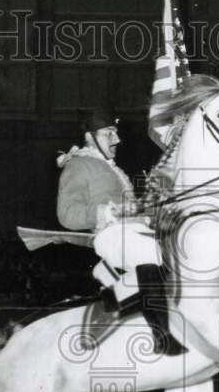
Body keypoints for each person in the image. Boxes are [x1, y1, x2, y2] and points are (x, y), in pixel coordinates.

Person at [56, 106, 180, 355]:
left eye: (116, 133)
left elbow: (131, 211)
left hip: (134, 232)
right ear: (90, 137)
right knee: (162, 257)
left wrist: (155, 210)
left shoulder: (112, 168)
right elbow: (67, 215)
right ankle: (162, 336)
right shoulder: (79, 165)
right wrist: (107, 212)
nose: (117, 140)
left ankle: (119, 290)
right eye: (109, 134)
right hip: (111, 236)